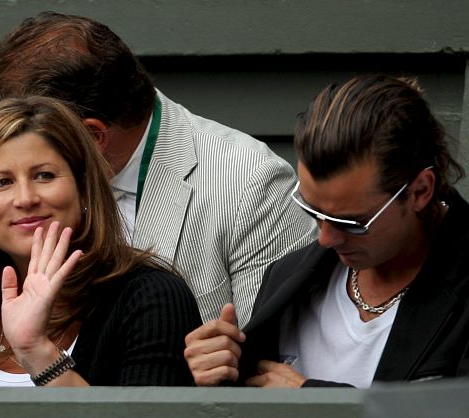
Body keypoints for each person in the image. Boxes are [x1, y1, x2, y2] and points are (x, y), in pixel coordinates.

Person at [0, 12, 316, 325]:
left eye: (25, 133)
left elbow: (267, 357)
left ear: (93, 136)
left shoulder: (247, 183)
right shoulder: (3, 192)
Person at [184, 75, 469, 388]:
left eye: (351, 222)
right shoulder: (289, 278)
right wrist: (220, 375)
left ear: (419, 192)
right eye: (314, 212)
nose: (325, 238)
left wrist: (314, 401)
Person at [0, 96, 201, 387]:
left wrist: (37, 352)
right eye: (2, 182)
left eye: (44, 176)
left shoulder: (150, 298)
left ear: (84, 189)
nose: (25, 199)